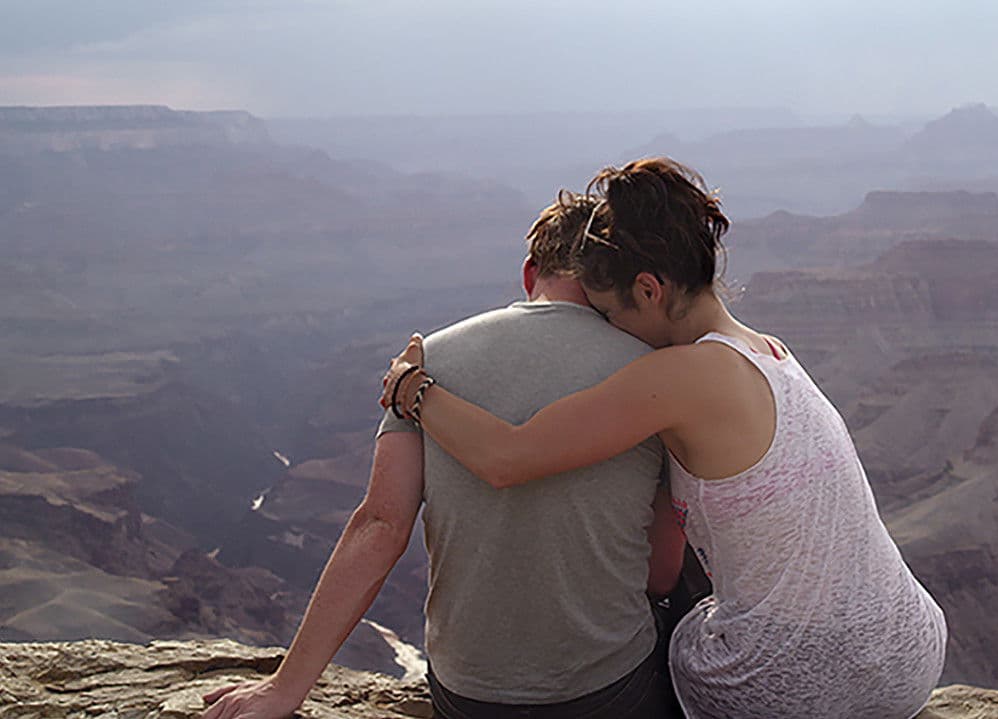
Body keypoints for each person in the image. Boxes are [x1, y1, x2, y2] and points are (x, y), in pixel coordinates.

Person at [381, 157, 948, 719]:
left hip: (792, 686)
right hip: (908, 654)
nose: (610, 332)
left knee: (646, 632)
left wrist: (413, 388)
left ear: (649, 289)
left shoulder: (680, 377)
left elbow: (507, 457)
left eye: (609, 314)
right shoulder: (770, 352)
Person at [202, 192, 687, 719]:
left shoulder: (425, 362)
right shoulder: (655, 376)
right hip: (609, 688)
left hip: (470, 693)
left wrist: (285, 688)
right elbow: (661, 572)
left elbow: (380, 526)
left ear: (530, 272)